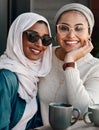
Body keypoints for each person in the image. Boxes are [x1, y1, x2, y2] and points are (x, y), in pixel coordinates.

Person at [39, 3, 99, 125]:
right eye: (64, 28)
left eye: (79, 28)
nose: (71, 35)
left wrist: (70, 62)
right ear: (56, 31)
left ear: (89, 33)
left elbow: (86, 111)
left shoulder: (95, 67)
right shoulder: (44, 55)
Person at [0, 12, 53, 130]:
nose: (39, 44)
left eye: (45, 39)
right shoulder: (6, 77)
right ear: (17, 36)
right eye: (32, 36)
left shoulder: (34, 74)